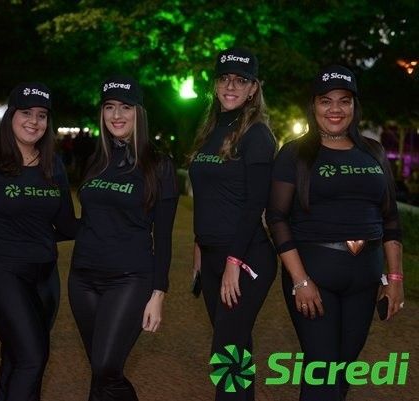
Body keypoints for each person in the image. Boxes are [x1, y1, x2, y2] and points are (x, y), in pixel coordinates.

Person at [266, 65, 404, 401]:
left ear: (355, 106)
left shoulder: (374, 152)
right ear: (313, 106)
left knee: (341, 375)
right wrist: (300, 281)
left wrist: (396, 278)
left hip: (365, 280)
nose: (335, 109)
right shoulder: (295, 153)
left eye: (344, 100)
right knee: (323, 373)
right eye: (326, 101)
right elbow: (277, 218)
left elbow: (390, 219)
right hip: (315, 278)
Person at [0, 82, 77, 401]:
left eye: (41, 115)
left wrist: (112, 215)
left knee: (16, 355)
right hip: (1, 272)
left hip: (45, 278)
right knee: (33, 358)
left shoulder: (53, 164)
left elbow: (67, 225)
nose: (34, 121)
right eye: (26, 113)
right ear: (11, 116)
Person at [69, 76, 178, 400]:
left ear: (138, 112)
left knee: (106, 367)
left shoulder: (159, 165)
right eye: (109, 107)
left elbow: (165, 237)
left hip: (129, 279)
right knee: (98, 370)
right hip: (82, 278)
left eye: (125, 107)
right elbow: (87, 221)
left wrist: (158, 293)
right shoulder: (96, 161)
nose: (116, 115)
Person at [188, 47, 277, 400]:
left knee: (224, 352)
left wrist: (233, 262)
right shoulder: (211, 129)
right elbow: (207, 196)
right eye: (224, 78)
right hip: (213, 255)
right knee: (236, 350)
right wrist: (199, 246)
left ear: (253, 88)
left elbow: (255, 205)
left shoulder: (257, 135)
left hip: (246, 258)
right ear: (215, 84)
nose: (230, 86)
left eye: (241, 80)